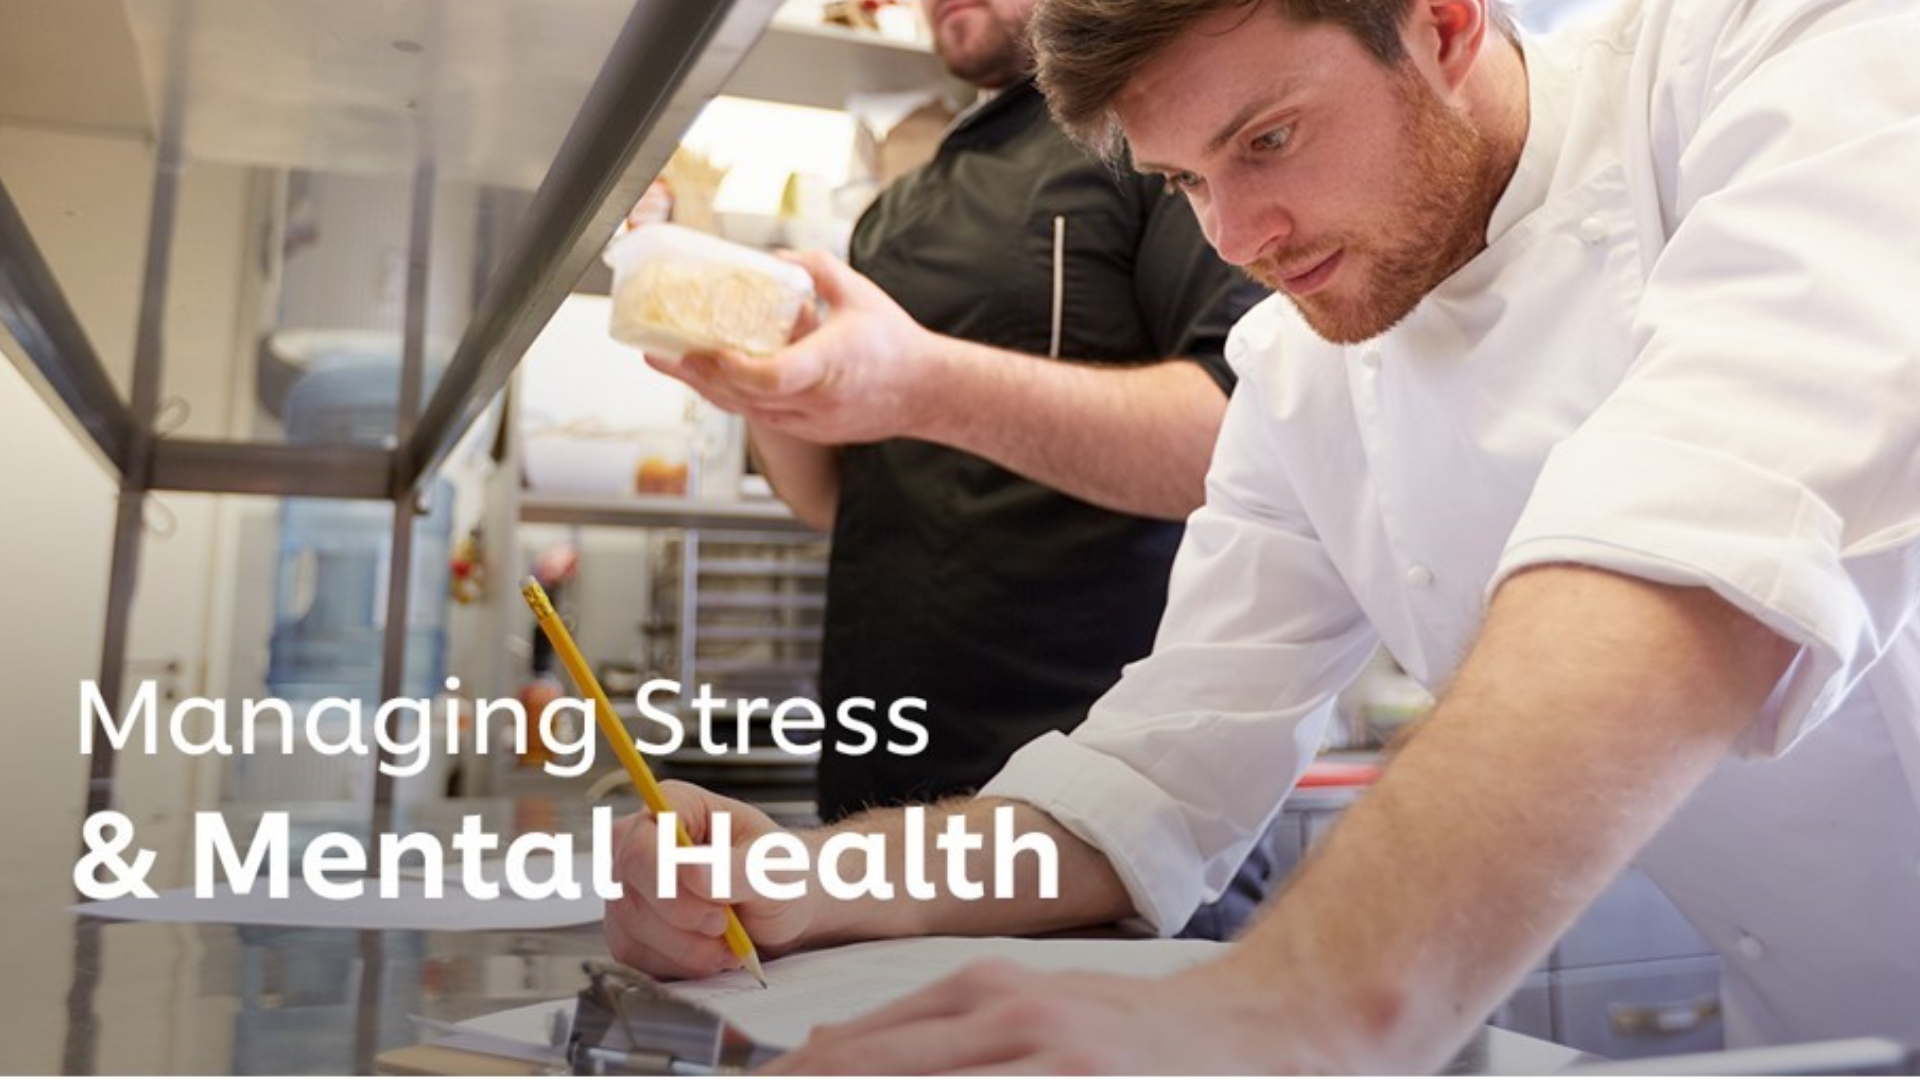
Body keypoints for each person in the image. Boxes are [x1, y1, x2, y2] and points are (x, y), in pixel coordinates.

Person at [608, 0, 1920, 1071]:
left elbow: (1704, 537)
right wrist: (806, 879)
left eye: (1271, 140)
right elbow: (1156, 778)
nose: (1238, 238)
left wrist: (1301, 1000)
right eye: (1185, 182)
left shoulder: (1787, 54)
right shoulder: (1298, 367)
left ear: (1445, 22)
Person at [644, 0, 1271, 934]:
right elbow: (835, 501)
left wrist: (920, 384)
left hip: (1109, 829)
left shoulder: (1159, 144)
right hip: (877, 828)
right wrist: (759, 363)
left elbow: (1236, 441)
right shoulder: (897, 212)